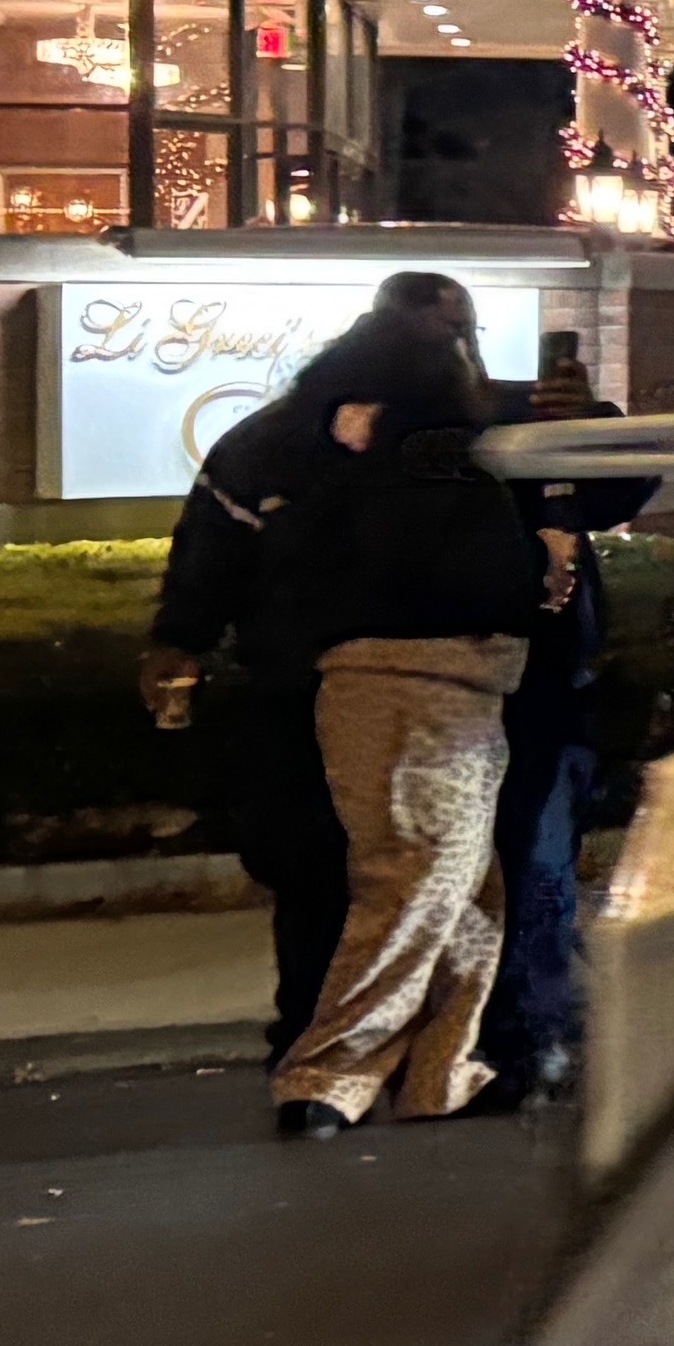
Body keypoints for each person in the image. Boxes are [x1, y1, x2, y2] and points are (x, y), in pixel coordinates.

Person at [142, 270, 481, 1075]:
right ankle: (342, 1041)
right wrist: (178, 640)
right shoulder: (289, 445)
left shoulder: (453, 445)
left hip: (379, 694)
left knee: (372, 877)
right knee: (348, 874)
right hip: (345, 694)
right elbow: (210, 553)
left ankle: (345, 1044)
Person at [258, 313, 547, 1134]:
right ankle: (327, 1076)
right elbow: (474, 575)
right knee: (416, 886)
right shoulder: (435, 467)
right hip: (426, 689)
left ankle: (441, 1071)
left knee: (464, 893)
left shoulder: (325, 457)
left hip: (399, 688)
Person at [480, 328, 656, 1113]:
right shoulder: (441, 440)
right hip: (486, 688)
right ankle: (517, 1034)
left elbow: (627, 478)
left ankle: (535, 1031)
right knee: (527, 865)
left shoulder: (534, 428)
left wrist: (590, 419)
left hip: (550, 689)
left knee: (542, 866)